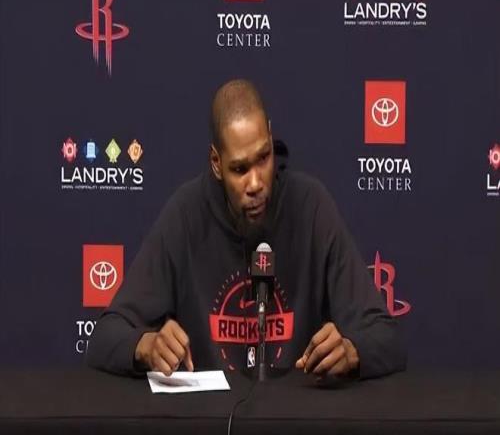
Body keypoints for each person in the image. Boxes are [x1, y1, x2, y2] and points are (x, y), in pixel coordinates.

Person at [87, 79, 406, 380]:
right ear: (216, 162)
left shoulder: (311, 207)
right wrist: (145, 346)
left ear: (270, 136)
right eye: (239, 169)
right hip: (208, 414)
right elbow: (104, 337)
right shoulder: (185, 215)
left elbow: (386, 337)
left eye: (264, 158)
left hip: (296, 412)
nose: (255, 183)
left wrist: (353, 351)